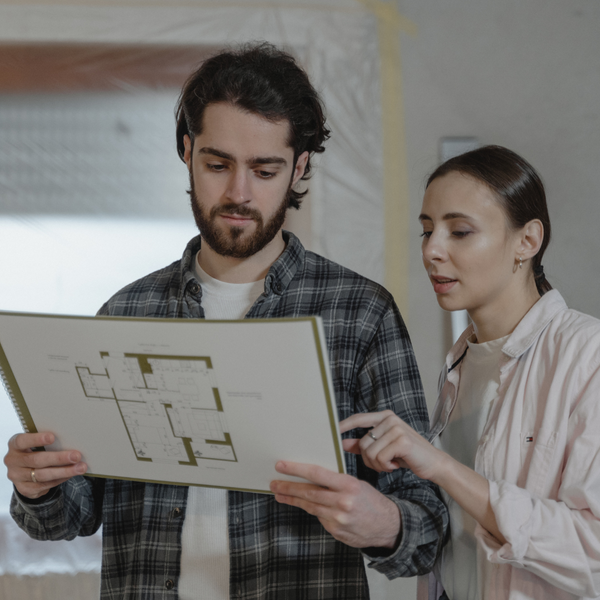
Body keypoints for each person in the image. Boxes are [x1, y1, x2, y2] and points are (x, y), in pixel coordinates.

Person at [4, 42, 448, 600]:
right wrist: (37, 486)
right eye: (217, 165)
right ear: (187, 152)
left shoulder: (361, 313)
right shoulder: (126, 311)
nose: (239, 193)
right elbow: (69, 519)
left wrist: (383, 521)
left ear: (300, 167)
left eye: (265, 170)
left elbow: (428, 529)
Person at [341, 145, 600, 600]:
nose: (432, 251)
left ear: (527, 240)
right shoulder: (462, 362)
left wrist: (440, 466)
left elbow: (592, 549)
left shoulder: (587, 356)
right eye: (426, 231)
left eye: (459, 231)